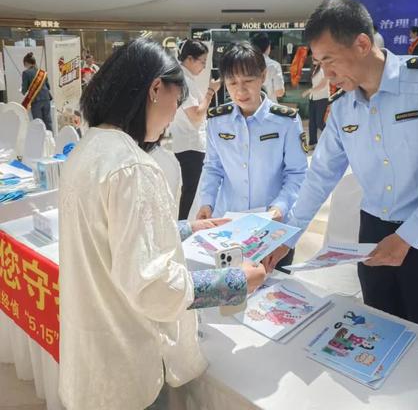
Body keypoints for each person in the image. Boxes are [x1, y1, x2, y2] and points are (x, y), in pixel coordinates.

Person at [59, 39, 266, 410]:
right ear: (156, 89)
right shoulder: (134, 166)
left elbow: (113, 238)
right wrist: (234, 281)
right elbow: (154, 288)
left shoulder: (89, 149)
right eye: (176, 101)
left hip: (89, 356)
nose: (174, 115)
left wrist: (186, 229)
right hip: (127, 364)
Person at [265, 0, 418, 339]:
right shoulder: (344, 106)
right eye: (319, 64)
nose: (326, 74)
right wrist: (288, 235)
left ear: (362, 44)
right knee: (378, 336)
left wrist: (408, 236)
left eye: (330, 61)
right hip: (375, 237)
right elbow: (320, 176)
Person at [196, 42, 308, 270]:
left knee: (274, 296)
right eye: (232, 83)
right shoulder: (218, 120)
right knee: (232, 295)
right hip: (229, 227)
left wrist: (280, 207)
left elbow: (297, 172)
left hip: (273, 228)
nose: (240, 90)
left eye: (248, 81)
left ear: (263, 76)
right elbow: (213, 167)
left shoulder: (284, 120)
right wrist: (207, 201)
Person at [170, 39, 220, 220]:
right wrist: (211, 92)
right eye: (202, 62)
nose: (203, 67)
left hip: (187, 142)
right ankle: (184, 227)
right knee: (191, 190)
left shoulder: (184, 79)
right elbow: (196, 115)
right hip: (189, 144)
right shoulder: (185, 81)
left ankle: (184, 225)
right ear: (190, 59)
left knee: (191, 189)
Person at [302, 58, 330, 150]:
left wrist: (310, 90)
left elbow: (323, 84)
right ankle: (312, 143)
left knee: (319, 122)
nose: (313, 58)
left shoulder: (324, 68)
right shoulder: (316, 68)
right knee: (312, 123)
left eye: (315, 57)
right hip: (313, 98)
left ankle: (333, 137)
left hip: (322, 98)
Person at [21, 52, 53, 131]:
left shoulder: (26, 73)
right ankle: (50, 139)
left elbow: (24, 90)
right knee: (48, 121)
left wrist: (22, 90)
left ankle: (41, 141)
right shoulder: (42, 72)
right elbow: (48, 87)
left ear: (26, 63)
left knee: (39, 123)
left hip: (36, 101)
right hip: (46, 99)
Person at [251, 32, 285, 103]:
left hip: (250, 107)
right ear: (268, 47)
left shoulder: (246, 64)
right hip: (269, 107)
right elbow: (279, 92)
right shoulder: (274, 65)